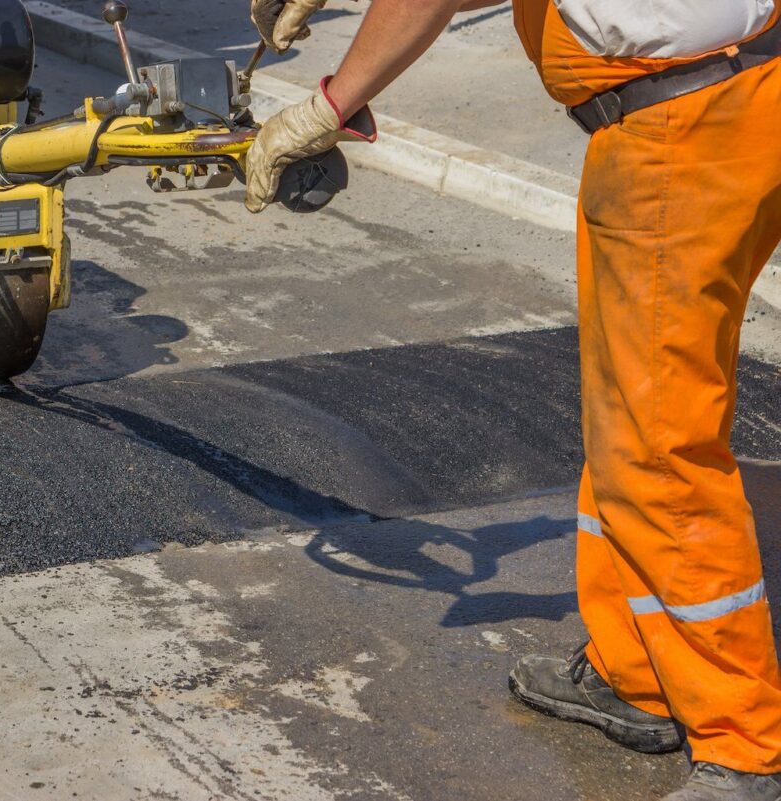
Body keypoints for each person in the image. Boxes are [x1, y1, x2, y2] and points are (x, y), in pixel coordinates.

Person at [244, 0, 781, 798]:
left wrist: (330, 103)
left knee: (660, 445)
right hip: (711, 102)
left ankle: (740, 739)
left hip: (683, 127)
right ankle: (634, 669)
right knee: (628, 413)